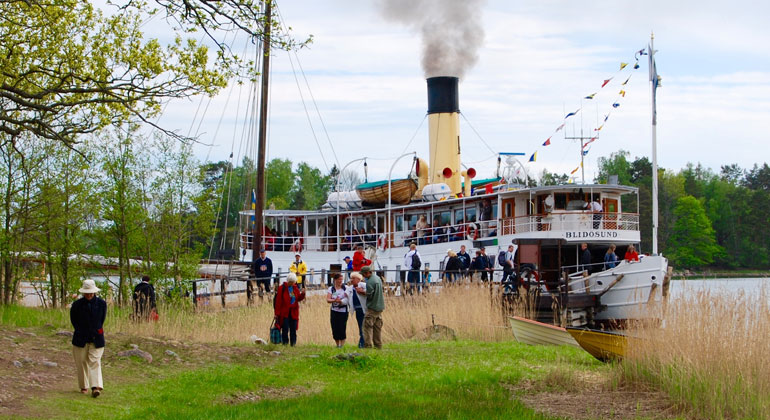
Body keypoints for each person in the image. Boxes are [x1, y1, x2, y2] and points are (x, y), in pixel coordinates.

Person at [70, 279, 107, 398]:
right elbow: (74, 320)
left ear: (94, 292)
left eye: (91, 292)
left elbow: (102, 319)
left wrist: (95, 330)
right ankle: (83, 386)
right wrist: (81, 330)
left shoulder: (102, 303)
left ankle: (96, 387)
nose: (89, 295)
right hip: (80, 338)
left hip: (97, 337)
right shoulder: (76, 305)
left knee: (95, 361)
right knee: (81, 362)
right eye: (87, 293)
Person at [274, 273, 306, 346]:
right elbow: (278, 302)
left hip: (293, 312)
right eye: (291, 282)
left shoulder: (295, 288)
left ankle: (293, 344)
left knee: (293, 329)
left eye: (293, 282)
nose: (292, 283)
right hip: (284, 313)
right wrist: (276, 313)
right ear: (288, 281)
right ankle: (285, 343)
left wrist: (303, 294)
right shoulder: (282, 288)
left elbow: (298, 298)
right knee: (285, 329)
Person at [360, 266, 385, 349]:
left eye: (363, 274)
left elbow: (369, 295)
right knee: (377, 327)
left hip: (372, 307)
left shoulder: (370, 282)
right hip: (380, 306)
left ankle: (368, 346)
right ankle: (378, 345)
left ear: (367, 273)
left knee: (367, 326)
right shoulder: (377, 278)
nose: (363, 276)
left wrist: (362, 292)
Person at [326, 273, 350, 348]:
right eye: (339, 279)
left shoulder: (345, 288)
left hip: (343, 311)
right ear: (335, 280)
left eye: (341, 279)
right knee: (335, 327)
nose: (340, 281)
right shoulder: (331, 289)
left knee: (342, 327)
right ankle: (337, 344)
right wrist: (334, 300)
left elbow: (348, 298)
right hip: (334, 310)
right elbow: (328, 299)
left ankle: (342, 345)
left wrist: (341, 301)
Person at [349, 272, 367, 348]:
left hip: (364, 309)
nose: (351, 280)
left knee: (365, 327)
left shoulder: (363, 285)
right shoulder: (350, 288)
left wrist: (362, 292)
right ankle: (363, 343)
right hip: (357, 310)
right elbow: (347, 298)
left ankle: (362, 344)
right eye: (351, 278)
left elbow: (370, 293)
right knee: (360, 326)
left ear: (359, 279)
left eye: (353, 278)